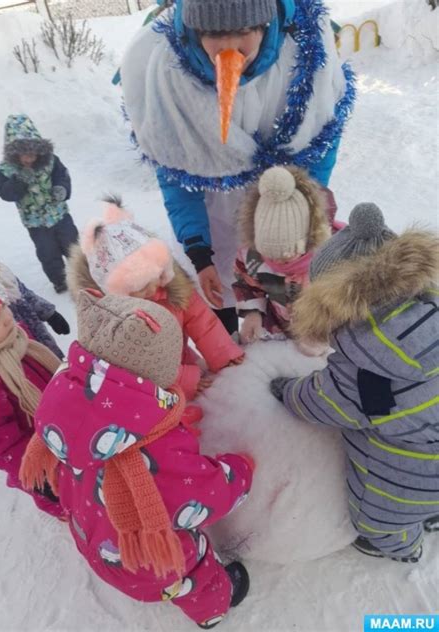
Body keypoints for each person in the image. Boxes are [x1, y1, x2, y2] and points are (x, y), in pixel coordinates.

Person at [20, 292, 254, 628]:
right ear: (154, 374)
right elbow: (202, 496)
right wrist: (239, 471)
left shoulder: (65, 418)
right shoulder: (157, 447)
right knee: (198, 576)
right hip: (155, 561)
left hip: (96, 543)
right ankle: (212, 611)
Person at [120, 0, 355, 333]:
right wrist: (199, 252)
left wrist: (302, 213)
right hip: (216, 225)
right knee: (225, 307)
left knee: (287, 303)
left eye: (243, 31)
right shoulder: (168, 75)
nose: (229, 47)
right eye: (214, 33)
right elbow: (176, 178)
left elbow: (319, 145)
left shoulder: (304, 55)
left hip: (283, 226)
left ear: (263, 24)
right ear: (194, 29)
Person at [270, 204, 439, 562]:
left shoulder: (366, 368)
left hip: (416, 471)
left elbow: (323, 402)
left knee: (379, 516)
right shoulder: (431, 307)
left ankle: (400, 547)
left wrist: (287, 391)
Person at [67, 198, 244, 400]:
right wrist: (183, 379)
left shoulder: (169, 287)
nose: (153, 288)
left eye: (158, 276)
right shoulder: (112, 325)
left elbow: (202, 321)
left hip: (182, 361)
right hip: (148, 393)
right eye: (141, 287)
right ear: (117, 293)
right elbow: (134, 366)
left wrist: (224, 356)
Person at [0, 267, 63, 517]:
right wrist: (37, 476)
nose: (8, 318)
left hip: (60, 425)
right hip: (38, 454)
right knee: (64, 493)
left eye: (3, 307)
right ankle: (68, 512)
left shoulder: (14, 335)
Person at [232, 165, 331, 346]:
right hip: (278, 330)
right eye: (270, 254)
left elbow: (346, 302)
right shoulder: (253, 258)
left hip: (323, 338)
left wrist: (322, 333)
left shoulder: (328, 260)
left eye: (286, 254)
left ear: (308, 239)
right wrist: (253, 312)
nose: (278, 261)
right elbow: (247, 284)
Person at [0, 201, 69, 359]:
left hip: (43, 345)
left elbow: (26, 294)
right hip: (19, 357)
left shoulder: (4, 275)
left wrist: (50, 313)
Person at [0, 114, 78, 293]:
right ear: (13, 153)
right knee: (48, 253)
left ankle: (81, 272)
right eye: (23, 155)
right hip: (35, 223)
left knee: (73, 245)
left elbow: (62, 176)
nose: (29, 159)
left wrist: (61, 188)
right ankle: (60, 280)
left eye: (32, 154)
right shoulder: (5, 170)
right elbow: (5, 192)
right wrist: (19, 181)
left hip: (60, 214)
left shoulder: (51, 161)